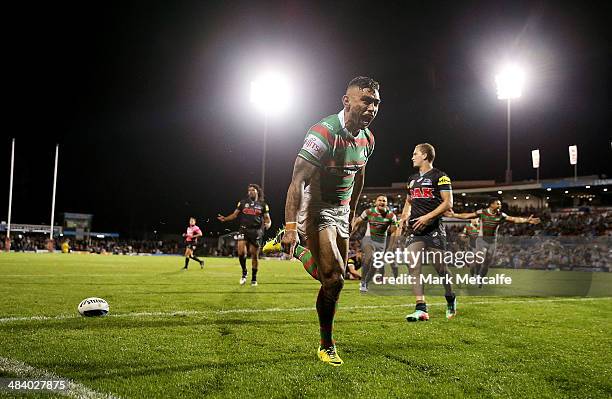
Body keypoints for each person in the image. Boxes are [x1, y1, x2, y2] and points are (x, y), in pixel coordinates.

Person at [263, 76, 380, 366]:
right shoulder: (323, 133)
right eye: (365, 100)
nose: (372, 107)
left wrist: (351, 212)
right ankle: (326, 345)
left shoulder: (368, 139)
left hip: (340, 212)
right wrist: (291, 227)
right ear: (346, 101)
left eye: (376, 102)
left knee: (331, 281)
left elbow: (359, 176)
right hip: (315, 208)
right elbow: (297, 182)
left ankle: (295, 250)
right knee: (335, 277)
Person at [398, 143, 456, 322]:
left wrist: (427, 217)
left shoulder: (441, 177)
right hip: (415, 230)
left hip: (434, 229)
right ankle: (421, 308)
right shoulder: (412, 179)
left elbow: (448, 203)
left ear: (424, 156)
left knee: (441, 269)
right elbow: (409, 200)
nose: (412, 157)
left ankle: (450, 297)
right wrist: (405, 214)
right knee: (412, 264)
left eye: (415, 154)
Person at [449, 198, 540, 283]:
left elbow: (514, 219)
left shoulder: (501, 215)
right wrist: (454, 215)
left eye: (500, 204)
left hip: (492, 242)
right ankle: (475, 276)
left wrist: (527, 220)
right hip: (481, 240)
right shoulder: (482, 212)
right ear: (491, 205)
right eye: (498, 204)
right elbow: (468, 215)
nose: (500, 206)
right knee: (479, 259)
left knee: (487, 263)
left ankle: (480, 278)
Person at [218, 184, 271, 286]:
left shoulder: (263, 205)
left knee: (254, 255)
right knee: (241, 252)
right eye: (249, 190)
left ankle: (254, 279)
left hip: (256, 232)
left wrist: (268, 224)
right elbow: (234, 215)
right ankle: (244, 272)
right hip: (243, 230)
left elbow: (267, 219)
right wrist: (225, 219)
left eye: (253, 190)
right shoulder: (243, 202)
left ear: (257, 192)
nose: (250, 191)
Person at [351, 195, 398, 292]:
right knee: (369, 257)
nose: (381, 202)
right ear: (375, 202)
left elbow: (394, 231)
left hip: (381, 242)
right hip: (369, 239)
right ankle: (363, 281)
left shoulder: (391, 216)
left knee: (375, 265)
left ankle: (366, 282)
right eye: (379, 200)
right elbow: (358, 221)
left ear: (386, 203)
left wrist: (391, 246)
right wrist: (351, 231)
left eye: (384, 201)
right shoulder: (369, 212)